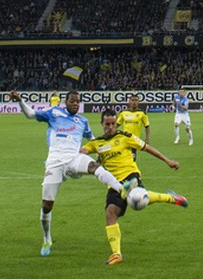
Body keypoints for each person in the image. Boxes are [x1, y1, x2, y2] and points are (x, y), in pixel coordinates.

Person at [10, 90, 127, 257]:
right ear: (66, 101)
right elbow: (30, 114)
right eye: (72, 101)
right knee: (46, 206)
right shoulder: (53, 112)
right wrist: (20, 100)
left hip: (73, 158)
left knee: (94, 167)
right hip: (55, 163)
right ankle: (47, 238)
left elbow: (93, 140)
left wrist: (99, 156)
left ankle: (121, 188)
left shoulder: (83, 121)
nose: (75, 103)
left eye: (77, 101)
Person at [81, 108, 188, 265]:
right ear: (101, 124)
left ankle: (171, 198)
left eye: (112, 124)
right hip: (113, 184)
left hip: (131, 176)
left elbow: (147, 147)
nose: (110, 127)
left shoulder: (125, 137)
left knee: (136, 198)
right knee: (110, 213)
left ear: (116, 123)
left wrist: (167, 160)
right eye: (107, 124)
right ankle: (116, 254)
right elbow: (81, 153)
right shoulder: (96, 143)